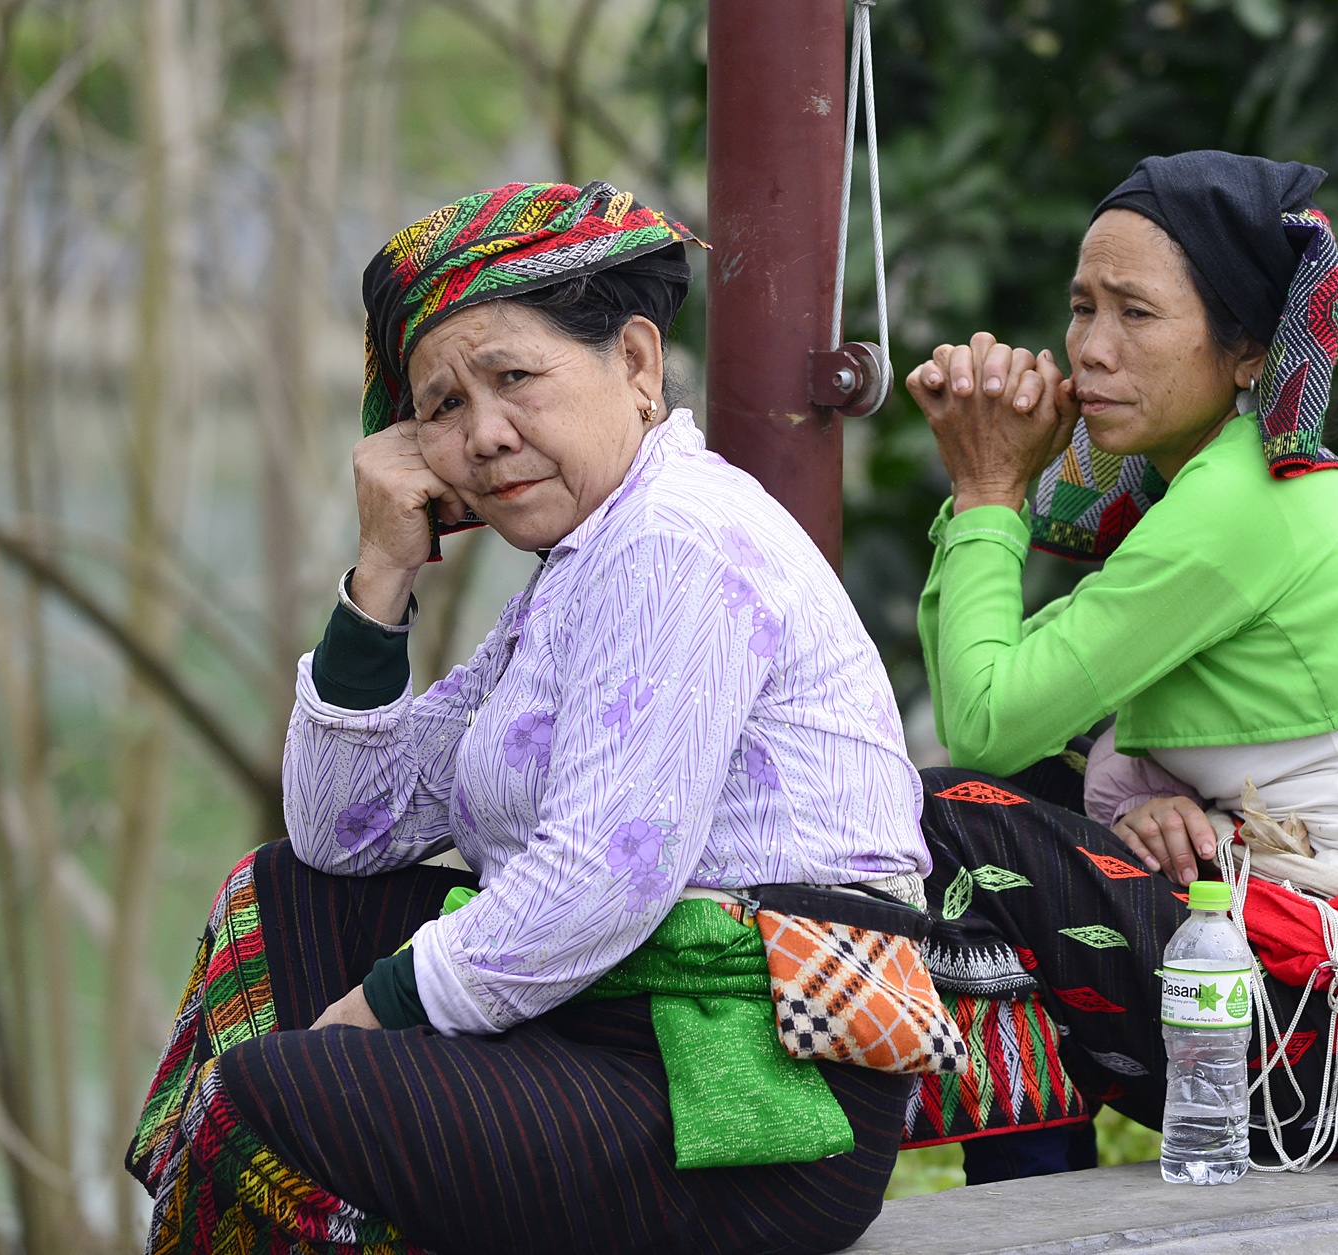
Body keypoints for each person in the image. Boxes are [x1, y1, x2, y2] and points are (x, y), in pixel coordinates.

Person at [125, 181, 932, 1255]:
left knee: (283, 1090)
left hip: (749, 1096)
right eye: (442, 407)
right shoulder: (572, 573)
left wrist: (379, 1011)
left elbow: (604, 874)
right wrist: (382, 569)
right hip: (614, 1026)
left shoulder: (675, 540)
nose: (484, 437)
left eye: (514, 377)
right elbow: (340, 829)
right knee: (277, 901)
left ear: (636, 365)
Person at [902, 151, 1338, 1180]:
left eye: (1135, 315)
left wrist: (987, 491)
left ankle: (1025, 1196)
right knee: (996, 800)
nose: (1091, 349)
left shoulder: (1237, 507)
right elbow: (1029, 716)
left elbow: (983, 716)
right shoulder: (1225, 481)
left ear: (1248, 353)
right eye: (1080, 308)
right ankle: (1028, 1193)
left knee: (935, 816)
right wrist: (1134, 805)